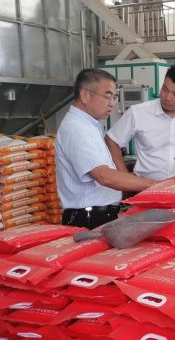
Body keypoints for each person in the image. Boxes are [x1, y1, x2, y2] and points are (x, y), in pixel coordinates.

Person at [56, 69, 158, 229]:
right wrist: (156, 185)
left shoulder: (90, 124)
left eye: (114, 97)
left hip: (98, 215)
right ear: (85, 95)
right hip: (87, 218)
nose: (112, 103)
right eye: (107, 96)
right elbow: (104, 176)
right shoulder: (75, 128)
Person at [105, 64, 175, 180]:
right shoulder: (137, 112)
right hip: (146, 186)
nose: (167, 98)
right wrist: (125, 176)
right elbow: (112, 140)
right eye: (165, 89)